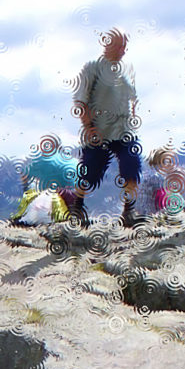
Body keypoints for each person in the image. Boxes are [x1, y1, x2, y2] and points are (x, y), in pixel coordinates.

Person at [69, 30, 142, 227]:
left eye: (124, 46)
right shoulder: (92, 68)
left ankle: (129, 211)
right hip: (98, 130)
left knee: (132, 163)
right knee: (90, 172)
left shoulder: (128, 69)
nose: (123, 51)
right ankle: (77, 207)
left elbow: (132, 98)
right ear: (107, 44)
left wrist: (133, 117)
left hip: (124, 129)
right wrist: (88, 127)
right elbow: (80, 101)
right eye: (119, 46)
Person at [134, 146, 185, 219]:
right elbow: (166, 196)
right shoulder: (156, 177)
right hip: (150, 215)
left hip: (142, 213)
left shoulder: (147, 174)